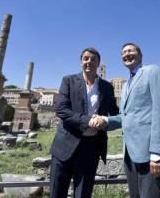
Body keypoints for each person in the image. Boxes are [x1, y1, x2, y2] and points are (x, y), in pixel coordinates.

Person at [90, 43, 160, 198]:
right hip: (130, 154)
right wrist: (105, 120)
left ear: (140, 55)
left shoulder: (152, 71)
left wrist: (157, 153)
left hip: (150, 154)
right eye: (124, 52)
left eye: (131, 50)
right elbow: (126, 116)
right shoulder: (126, 85)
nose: (127, 54)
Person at [49, 47, 119, 198]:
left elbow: (115, 111)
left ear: (98, 63)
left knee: (83, 194)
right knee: (56, 193)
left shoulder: (107, 87)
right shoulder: (68, 80)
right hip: (65, 146)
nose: (89, 62)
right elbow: (61, 110)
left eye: (93, 59)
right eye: (86, 59)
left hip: (91, 147)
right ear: (81, 62)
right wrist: (89, 121)